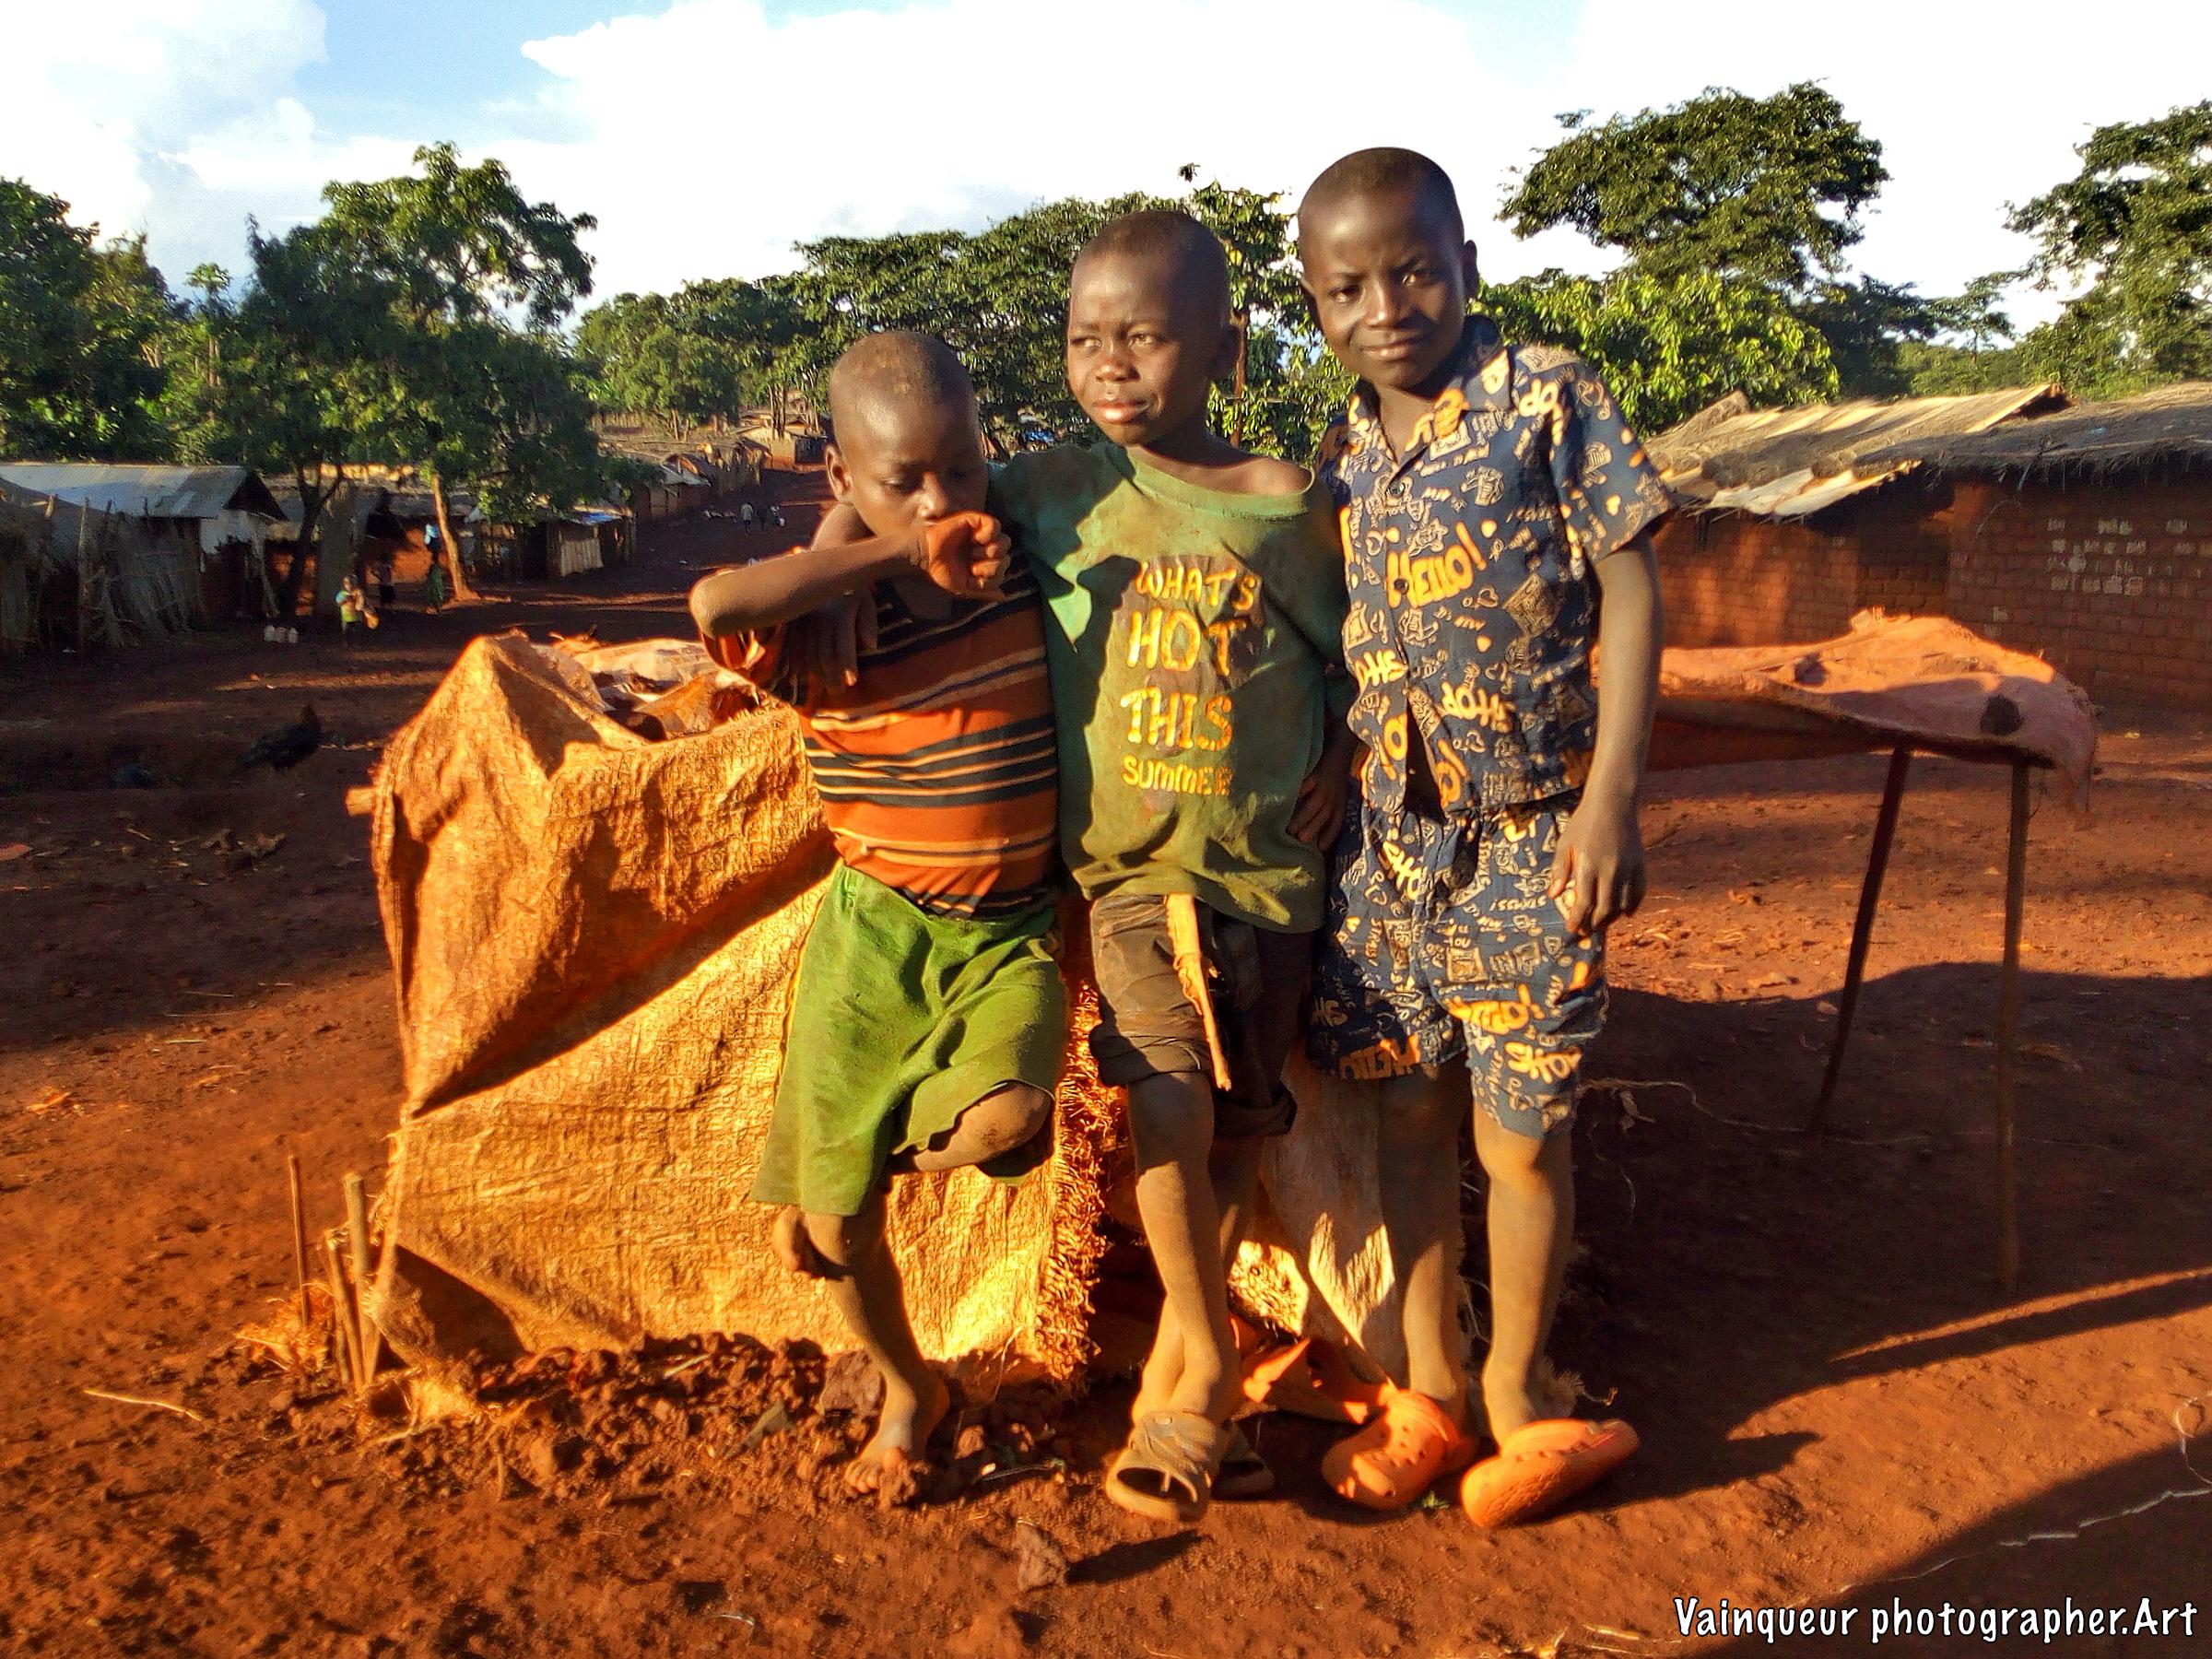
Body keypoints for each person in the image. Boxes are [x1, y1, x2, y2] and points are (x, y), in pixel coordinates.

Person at [817, 212, 1354, 1521]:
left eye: (1146, 336)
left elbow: (1357, 652)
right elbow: (895, 505)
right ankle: (1203, 1368)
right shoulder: (1049, 490)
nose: (1110, 363)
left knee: (1236, 1128)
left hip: (1268, 876)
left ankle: (1188, 1386)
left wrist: (1345, 747)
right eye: (1083, 338)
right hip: (1131, 875)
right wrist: (840, 543)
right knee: (1164, 1096)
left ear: (1225, 348)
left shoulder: (1286, 506)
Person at [1294, 148, 1672, 1527]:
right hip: (1388, 852)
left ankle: (1522, 1393)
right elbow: (1349, 637)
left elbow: (1632, 591)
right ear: (1316, 307)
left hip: (1531, 839)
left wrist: (1612, 797)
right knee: (1407, 1118)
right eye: (1347, 288)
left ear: (1466, 265)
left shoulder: (1549, 397)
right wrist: (1336, 760)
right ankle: (1432, 1390)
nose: (1385, 306)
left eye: (1413, 271)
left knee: (1522, 1134)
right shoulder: (1342, 455)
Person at [688, 332, 1065, 1505]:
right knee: (834, 1238)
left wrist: (896, 534)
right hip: (876, 934)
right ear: (843, 479)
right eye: (904, 481)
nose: (943, 502)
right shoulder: (819, 630)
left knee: (1010, 1118)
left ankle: (855, 1160)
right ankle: (910, 1387)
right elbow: (713, 602)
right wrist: (870, 553)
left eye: (963, 466)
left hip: (1009, 929)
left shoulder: (1022, 563)